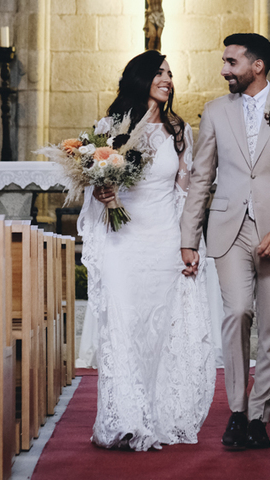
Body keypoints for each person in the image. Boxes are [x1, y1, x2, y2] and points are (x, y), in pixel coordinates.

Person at [180, 33, 270, 450]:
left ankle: (260, 413)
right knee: (237, 313)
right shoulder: (215, 111)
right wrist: (189, 236)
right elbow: (202, 177)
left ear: (257, 65)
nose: (224, 70)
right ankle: (237, 412)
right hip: (229, 228)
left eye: (231, 62)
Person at [79, 50, 214, 451]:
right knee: (124, 325)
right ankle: (125, 417)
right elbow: (93, 180)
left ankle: (159, 414)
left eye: (171, 74)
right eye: (160, 72)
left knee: (161, 329)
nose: (168, 80)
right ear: (140, 78)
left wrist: (190, 244)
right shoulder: (111, 128)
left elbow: (186, 195)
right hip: (123, 241)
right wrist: (101, 192)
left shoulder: (179, 130)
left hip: (163, 239)